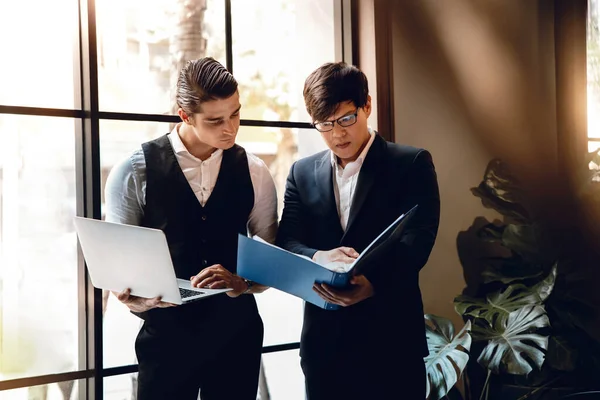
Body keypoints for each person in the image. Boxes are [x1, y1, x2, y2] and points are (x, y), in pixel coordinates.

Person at [104, 57, 278, 400]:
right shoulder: (133, 171)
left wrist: (242, 283)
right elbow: (117, 269)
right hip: (167, 342)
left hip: (236, 338)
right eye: (215, 120)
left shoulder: (255, 171)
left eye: (235, 114)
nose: (230, 128)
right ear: (185, 115)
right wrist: (133, 300)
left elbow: (273, 258)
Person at [275, 62, 440, 399]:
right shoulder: (301, 173)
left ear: (367, 106)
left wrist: (373, 285)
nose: (338, 134)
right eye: (325, 124)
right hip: (324, 346)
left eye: (346, 119)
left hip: (391, 339)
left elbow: (418, 240)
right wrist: (319, 256)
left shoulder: (410, 163)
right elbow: (287, 241)